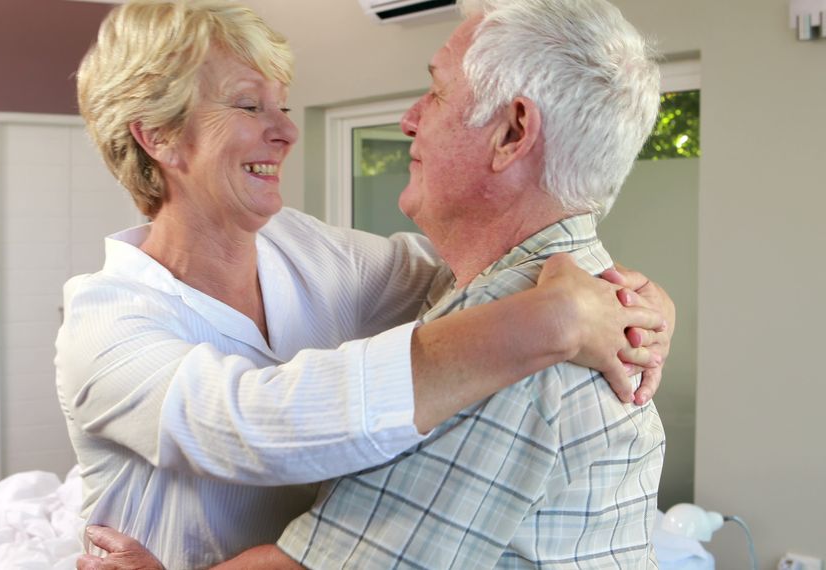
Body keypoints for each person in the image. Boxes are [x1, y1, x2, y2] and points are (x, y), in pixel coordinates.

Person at [61, 0, 674, 568]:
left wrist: (636, 299)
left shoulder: (309, 251)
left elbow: (464, 282)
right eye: (250, 106)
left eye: (284, 106)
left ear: (514, 133)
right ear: (159, 134)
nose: (287, 132)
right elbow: (253, 424)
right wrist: (552, 320)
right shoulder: (104, 323)